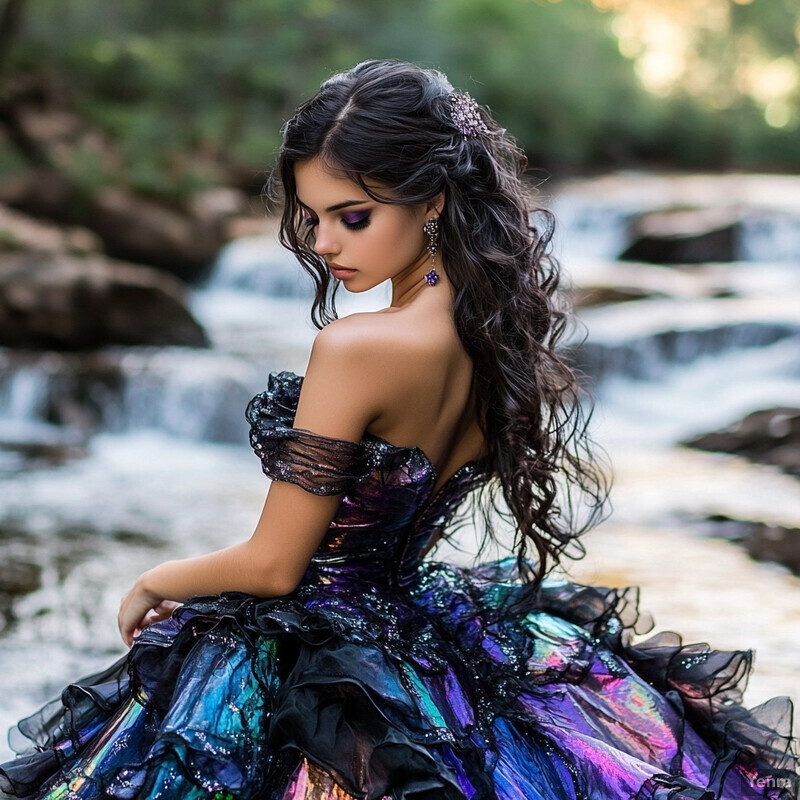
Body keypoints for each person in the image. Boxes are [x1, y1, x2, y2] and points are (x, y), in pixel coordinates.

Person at [0, 59, 796, 800]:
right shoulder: (494, 339)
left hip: (322, 666)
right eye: (312, 218)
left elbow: (277, 566)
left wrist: (159, 579)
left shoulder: (356, 347)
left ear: (434, 199)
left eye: (354, 216)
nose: (324, 244)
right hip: (427, 645)